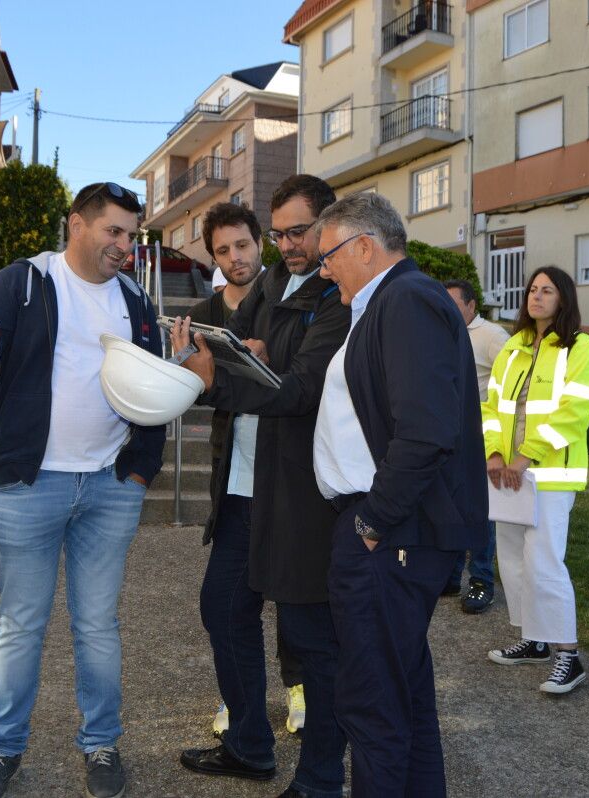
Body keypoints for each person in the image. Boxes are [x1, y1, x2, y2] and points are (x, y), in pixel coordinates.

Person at [0, 182, 165, 798]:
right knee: (20, 623)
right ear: (77, 224)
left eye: (131, 235)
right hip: (30, 484)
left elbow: (151, 391)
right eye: (114, 232)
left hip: (109, 486)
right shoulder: (24, 282)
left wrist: (140, 472)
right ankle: (2, 752)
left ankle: (101, 745)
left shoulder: (135, 299)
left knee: (98, 624)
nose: (125, 246)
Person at [171, 175, 350, 798]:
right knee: (223, 609)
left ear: (331, 224)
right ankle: (249, 744)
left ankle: (323, 778)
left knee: (310, 641)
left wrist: (218, 377)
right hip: (245, 485)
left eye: (298, 231)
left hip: (301, 495)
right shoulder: (274, 282)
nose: (287, 244)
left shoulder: (340, 298)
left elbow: (300, 390)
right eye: (279, 234)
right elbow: (247, 345)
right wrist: (225, 347)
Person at [312, 192, 488, 796]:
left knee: (372, 705)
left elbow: (426, 430)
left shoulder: (406, 299)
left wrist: (372, 521)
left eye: (328, 255)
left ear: (364, 246)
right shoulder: (388, 302)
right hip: (388, 529)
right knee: (400, 696)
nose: (322, 268)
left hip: (389, 532)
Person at [183, 203, 303, 740]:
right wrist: (188, 369)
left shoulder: (293, 300)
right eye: (224, 250)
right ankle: (244, 713)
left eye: (243, 245)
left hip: (292, 482)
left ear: (262, 242)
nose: (236, 257)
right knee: (227, 603)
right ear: (213, 257)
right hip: (236, 479)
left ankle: (300, 693)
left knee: (296, 603)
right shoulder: (207, 315)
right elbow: (200, 392)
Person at [481, 266, 589, 695]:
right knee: (511, 558)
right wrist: (495, 454)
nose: (536, 296)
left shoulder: (582, 348)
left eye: (547, 290)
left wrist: (524, 457)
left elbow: (573, 414)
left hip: (550, 473)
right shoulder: (513, 347)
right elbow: (492, 407)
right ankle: (533, 640)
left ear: (563, 298)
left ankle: (568, 656)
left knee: (544, 562)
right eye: (533, 289)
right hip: (509, 471)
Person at [443, 278, 510, 613]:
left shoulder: (493, 336)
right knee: (453, 507)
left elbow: (511, 384)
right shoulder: (440, 330)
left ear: (471, 305)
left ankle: (482, 581)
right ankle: (453, 576)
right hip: (447, 436)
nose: (447, 310)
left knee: (482, 513)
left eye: (454, 304)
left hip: (482, 437)